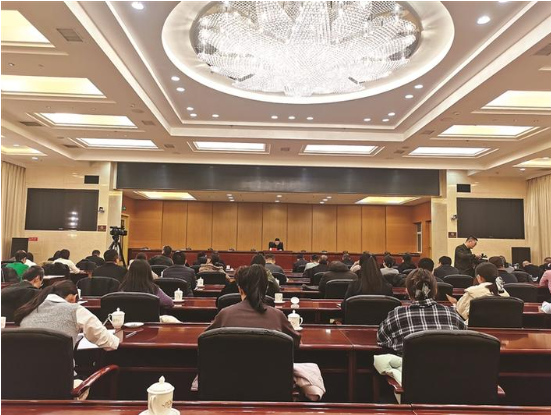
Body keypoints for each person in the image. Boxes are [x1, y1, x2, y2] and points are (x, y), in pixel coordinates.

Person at [206, 264, 300, 347]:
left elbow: (205, 339)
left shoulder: (225, 314)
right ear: (266, 289)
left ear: (240, 289)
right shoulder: (278, 316)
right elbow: (296, 342)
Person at [377, 269, 466, 354]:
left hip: (411, 364)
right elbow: (465, 337)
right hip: (447, 364)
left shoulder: (397, 315)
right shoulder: (452, 314)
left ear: (407, 291)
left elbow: (381, 339)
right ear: (435, 291)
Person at [15, 280, 119, 350]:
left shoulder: (29, 309)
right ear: (74, 297)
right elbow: (109, 343)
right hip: (61, 375)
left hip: (23, 373)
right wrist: (116, 338)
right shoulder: (75, 310)